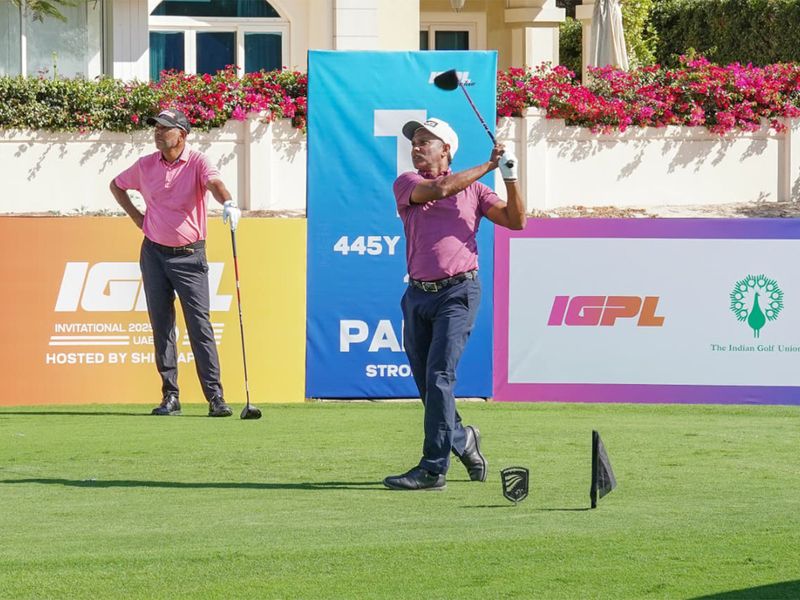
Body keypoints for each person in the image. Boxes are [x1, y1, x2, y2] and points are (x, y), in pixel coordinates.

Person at [383, 118, 525, 491]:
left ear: (446, 149)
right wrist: (490, 164)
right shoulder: (408, 183)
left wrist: (510, 177)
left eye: (424, 141)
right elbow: (441, 188)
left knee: (440, 376)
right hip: (417, 295)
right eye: (414, 142)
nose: (416, 147)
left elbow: (516, 221)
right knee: (428, 385)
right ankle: (462, 438)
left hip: (458, 293)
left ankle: (433, 469)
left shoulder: (476, 191)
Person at [109, 108, 242, 417]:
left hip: (190, 256)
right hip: (153, 254)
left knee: (199, 326)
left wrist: (229, 202)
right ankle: (170, 396)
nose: (157, 132)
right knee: (162, 325)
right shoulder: (145, 165)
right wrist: (138, 218)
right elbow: (116, 185)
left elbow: (215, 184)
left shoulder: (198, 162)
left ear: (181, 134)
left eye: (164, 128)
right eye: (156, 127)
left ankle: (215, 397)